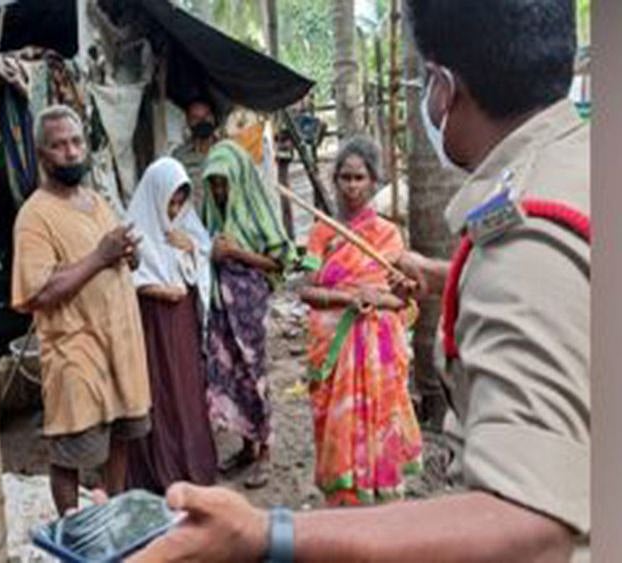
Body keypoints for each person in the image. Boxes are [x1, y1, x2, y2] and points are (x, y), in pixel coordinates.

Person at [124, 0, 590, 561]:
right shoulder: (579, 167)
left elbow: (532, 516)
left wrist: (266, 535)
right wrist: (448, 274)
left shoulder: (528, 229)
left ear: (442, 87)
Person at [11, 104, 151, 516]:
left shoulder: (96, 200)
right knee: (69, 450)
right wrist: (99, 257)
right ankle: (73, 531)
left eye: (76, 142)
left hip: (120, 345)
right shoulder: (34, 216)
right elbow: (37, 291)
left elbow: (114, 256)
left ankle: (115, 514)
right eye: (59, 146)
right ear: (42, 154)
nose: (71, 152)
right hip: (76, 350)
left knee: (123, 435)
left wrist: (129, 256)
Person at [298, 135, 422, 506]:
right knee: (339, 422)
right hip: (335, 349)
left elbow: (402, 298)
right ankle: (346, 496)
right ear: (334, 181)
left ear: (373, 182)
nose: (352, 186)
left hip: (378, 350)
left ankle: (381, 493)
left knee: (382, 420)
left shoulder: (388, 234)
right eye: (345, 178)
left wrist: (381, 297)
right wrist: (349, 297)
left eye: (359, 178)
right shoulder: (322, 232)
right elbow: (306, 291)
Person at [202, 140, 298, 489]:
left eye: (224, 182)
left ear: (238, 179)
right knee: (230, 375)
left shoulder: (256, 210)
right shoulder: (210, 212)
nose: (219, 190)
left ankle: (265, 454)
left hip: (248, 305)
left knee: (254, 374)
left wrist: (237, 253)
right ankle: (245, 446)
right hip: (220, 307)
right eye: (213, 183)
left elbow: (280, 259)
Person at [124, 156, 218, 493]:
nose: (175, 209)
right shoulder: (135, 228)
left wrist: (192, 248)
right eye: (170, 201)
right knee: (158, 389)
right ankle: (160, 468)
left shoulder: (186, 224)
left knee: (186, 387)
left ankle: (190, 464)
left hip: (182, 322)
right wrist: (160, 290)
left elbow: (202, 262)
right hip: (153, 321)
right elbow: (125, 279)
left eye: (180, 201)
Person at [171, 98, 219, 212]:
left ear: (213, 118)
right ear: (188, 122)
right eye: (196, 118)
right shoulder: (179, 156)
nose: (202, 121)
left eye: (206, 116)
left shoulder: (226, 152)